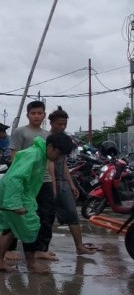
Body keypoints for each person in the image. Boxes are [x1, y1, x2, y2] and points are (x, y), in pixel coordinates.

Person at [0, 132, 75, 274]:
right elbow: (15, 178)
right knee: (31, 225)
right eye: (59, 153)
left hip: (13, 192)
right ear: (50, 146)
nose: (59, 157)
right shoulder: (35, 155)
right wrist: (15, 204)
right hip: (16, 194)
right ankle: (31, 264)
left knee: (9, 229)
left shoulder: (40, 154)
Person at [10, 100, 57, 261]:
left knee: (46, 215)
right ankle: (10, 249)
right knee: (19, 214)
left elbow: (50, 161)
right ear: (28, 115)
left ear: (44, 115)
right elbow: (15, 157)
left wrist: (53, 182)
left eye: (39, 113)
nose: (36, 116)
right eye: (33, 113)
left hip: (43, 180)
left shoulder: (47, 135)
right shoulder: (20, 132)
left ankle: (41, 249)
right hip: (25, 181)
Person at [48, 107, 96, 255]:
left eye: (64, 124)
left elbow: (63, 164)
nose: (62, 127)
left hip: (62, 182)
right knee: (46, 217)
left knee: (72, 214)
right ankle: (42, 249)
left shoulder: (65, 140)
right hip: (47, 181)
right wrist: (53, 185)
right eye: (59, 124)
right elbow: (49, 163)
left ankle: (79, 247)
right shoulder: (46, 139)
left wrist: (71, 184)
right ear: (51, 123)